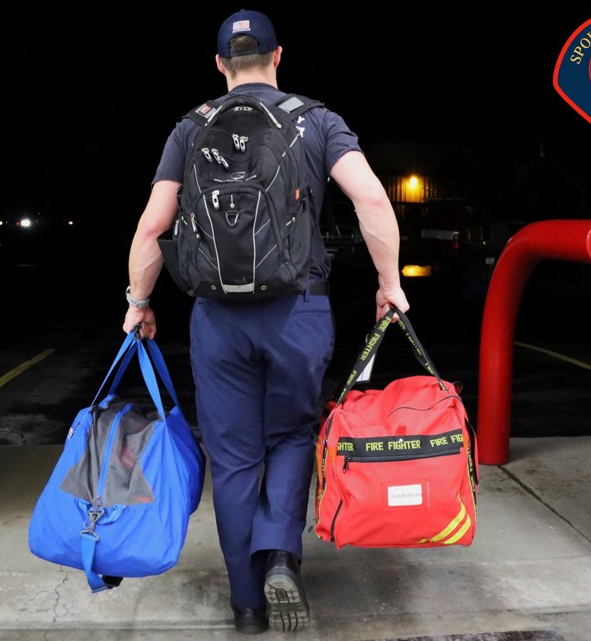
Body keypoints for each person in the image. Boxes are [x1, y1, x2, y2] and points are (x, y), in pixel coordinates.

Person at [121, 9, 410, 635]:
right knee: (290, 434)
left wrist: (138, 302)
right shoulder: (317, 120)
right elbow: (371, 201)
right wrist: (389, 284)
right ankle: (282, 551)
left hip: (217, 317)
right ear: (278, 58)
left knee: (232, 458)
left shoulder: (190, 129)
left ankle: (247, 605)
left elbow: (152, 227)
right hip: (298, 310)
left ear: (220, 63)